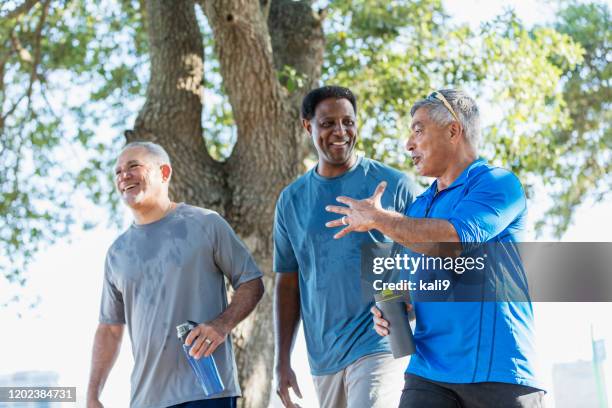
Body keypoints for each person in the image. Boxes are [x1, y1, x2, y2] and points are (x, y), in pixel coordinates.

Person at [325, 89, 545, 407]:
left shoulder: (498, 184)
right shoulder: (418, 207)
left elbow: (454, 240)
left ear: (453, 130)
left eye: (418, 129)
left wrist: (379, 219)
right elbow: (415, 286)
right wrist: (398, 310)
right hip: (428, 373)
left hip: (499, 371)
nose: (408, 143)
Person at [87, 141, 264, 408]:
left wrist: (221, 325)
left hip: (206, 393)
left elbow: (251, 281)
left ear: (164, 172)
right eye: (118, 172)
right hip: (145, 399)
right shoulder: (117, 253)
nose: (124, 176)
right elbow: (110, 329)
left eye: (134, 166)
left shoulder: (206, 223)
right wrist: (92, 394)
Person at [273, 86, 418, 408]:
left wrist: (404, 300)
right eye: (328, 124)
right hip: (323, 355)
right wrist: (282, 360)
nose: (340, 132)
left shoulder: (394, 184)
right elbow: (288, 282)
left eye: (348, 122)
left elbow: (431, 255)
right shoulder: (291, 200)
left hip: (383, 340)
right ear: (307, 126)